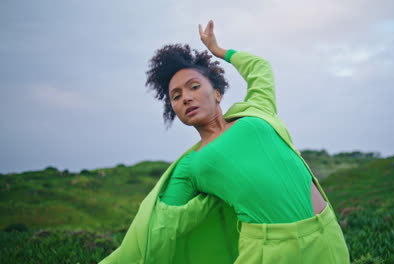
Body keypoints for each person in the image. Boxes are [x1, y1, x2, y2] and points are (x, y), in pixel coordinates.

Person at [99, 20, 350, 264]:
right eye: (176, 96)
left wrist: (219, 51)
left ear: (217, 93)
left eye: (194, 86)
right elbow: (161, 227)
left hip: (326, 234)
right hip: (268, 251)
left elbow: (260, 68)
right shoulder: (191, 166)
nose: (186, 98)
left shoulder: (255, 111)